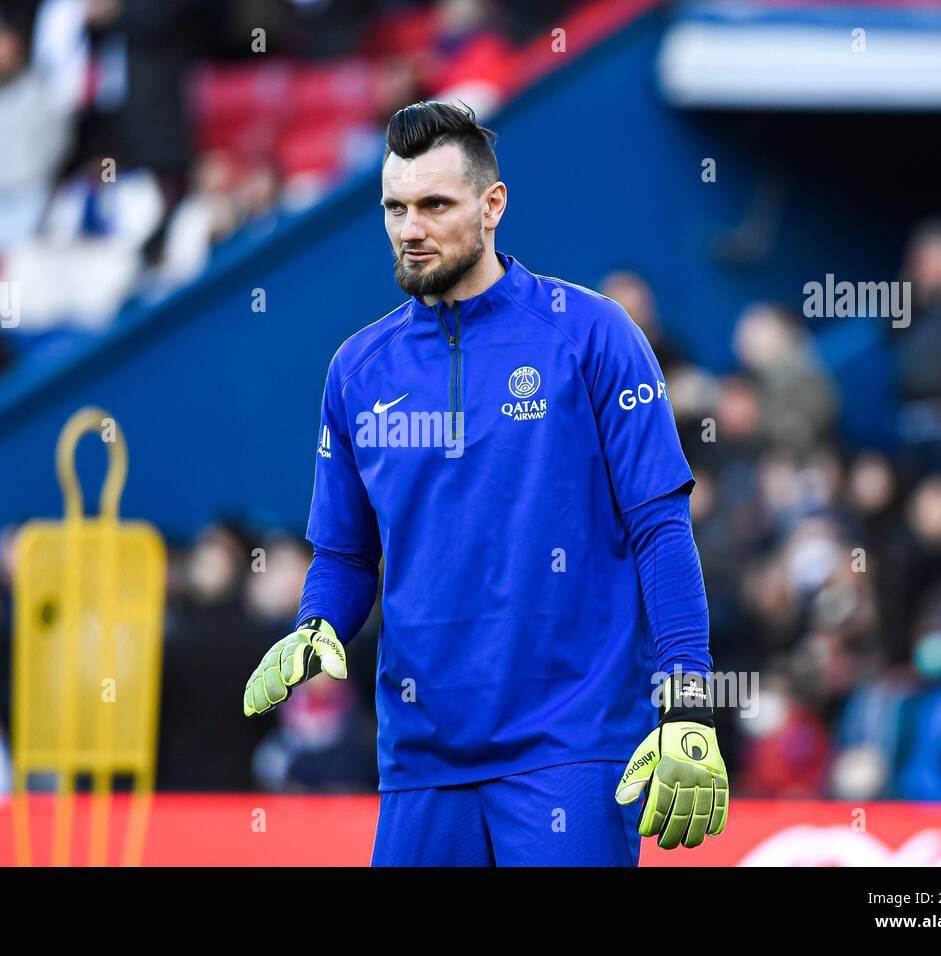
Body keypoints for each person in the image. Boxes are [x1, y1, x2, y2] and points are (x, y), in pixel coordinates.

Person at [241, 101, 727, 866]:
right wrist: (317, 622)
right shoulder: (356, 370)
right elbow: (345, 554)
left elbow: (661, 531)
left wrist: (688, 704)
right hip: (421, 757)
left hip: (572, 745)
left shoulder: (595, 334)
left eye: (435, 205)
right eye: (395, 208)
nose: (411, 228)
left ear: (492, 205)